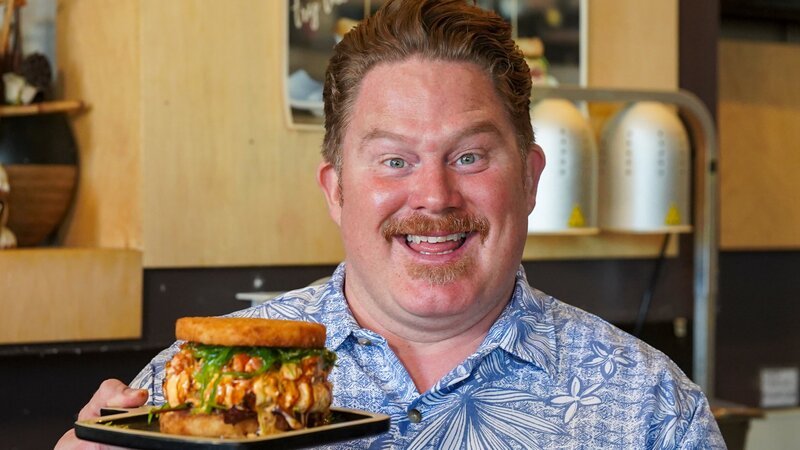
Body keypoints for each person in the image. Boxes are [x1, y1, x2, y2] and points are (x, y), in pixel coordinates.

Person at [57, 0, 725, 448]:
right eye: (394, 160)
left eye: (469, 156)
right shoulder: (192, 389)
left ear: (528, 178)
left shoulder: (651, 410)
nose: (433, 196)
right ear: (337, 189)